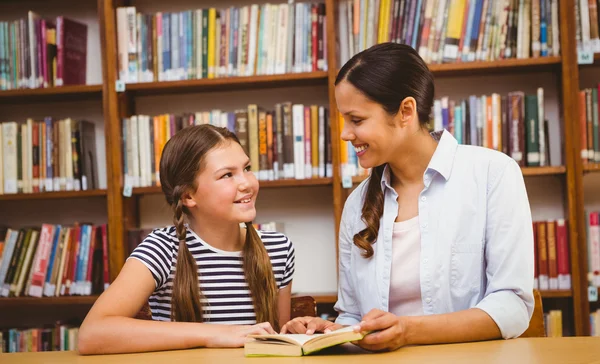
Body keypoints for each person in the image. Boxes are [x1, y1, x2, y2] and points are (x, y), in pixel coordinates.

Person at [280, 42, 534, 352]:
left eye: (356, 120)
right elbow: (354, 317)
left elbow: (512, 306)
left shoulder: (493, 174)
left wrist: (408, 331)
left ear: (406, 111)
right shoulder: (357, 205)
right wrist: (330, 331)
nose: (345, 134)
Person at [78, 124, 295, 354]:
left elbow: (278, 343)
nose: (247, 183)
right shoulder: (161, 249)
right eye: (227, 175)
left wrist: (296, 331)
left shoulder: (278, 249)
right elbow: (92, 334)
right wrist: (218, 333)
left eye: (247, 168)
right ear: (189, 196)